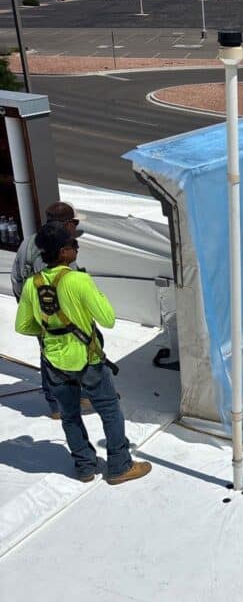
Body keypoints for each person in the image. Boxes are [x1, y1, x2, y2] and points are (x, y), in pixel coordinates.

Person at [15, 222, 151, 485]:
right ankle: (119, 465)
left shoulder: (33, 284)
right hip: (88, 360)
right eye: (73, 244)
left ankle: (84, 467)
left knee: (69, 415)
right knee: (110, 410)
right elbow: (108, 318)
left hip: (54, 361)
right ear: (63, 252)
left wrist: (51, 332)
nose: (77, 247)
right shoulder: (78, 280)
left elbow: (23, 326)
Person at [11, 202, 87, 419]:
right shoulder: (62, 248)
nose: (74, 227)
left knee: (49, 354)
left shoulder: (28, 242)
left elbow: (16, 277)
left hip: (37, 313)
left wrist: (27, 307)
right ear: (66, 224)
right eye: (73, 222)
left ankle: (61, 400)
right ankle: (60, 404)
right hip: (57, 317)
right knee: (59, 356)